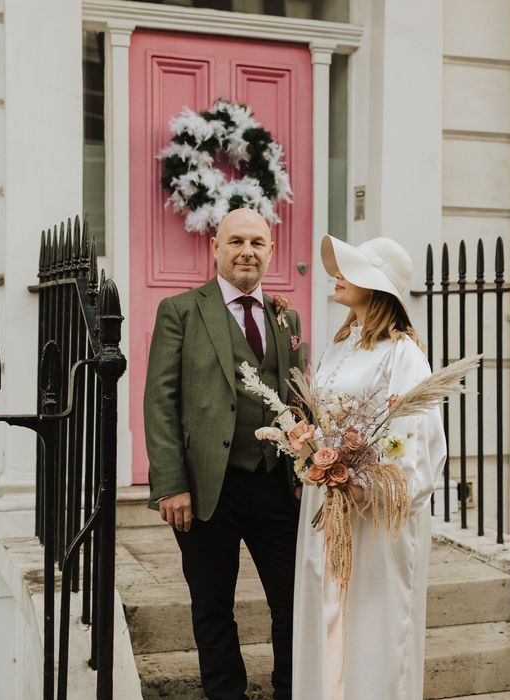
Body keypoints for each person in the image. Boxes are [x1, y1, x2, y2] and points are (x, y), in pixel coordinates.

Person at [144, 208, 305, 700]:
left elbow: (297, 396)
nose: (247, 252)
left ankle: (292, 690)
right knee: (212, 606)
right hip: (207, 488)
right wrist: (171, 482)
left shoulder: (287, 315)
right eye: (236, 241)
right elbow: (160, 399)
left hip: (277, 486)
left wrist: (307, 459)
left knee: (293, 602)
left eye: (257, 242)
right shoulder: (182, 310)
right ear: (215, 247)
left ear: (271, 251)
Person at [293, 235, 447, 700]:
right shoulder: (339, 345)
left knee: (373, 626)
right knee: (326, 612)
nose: (337, 274)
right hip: (327, 505)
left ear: (377, 286)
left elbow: (417, 446)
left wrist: (362, 487)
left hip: (372, 516)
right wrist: (307, 449)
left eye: (351, 269)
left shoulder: (404, 355)